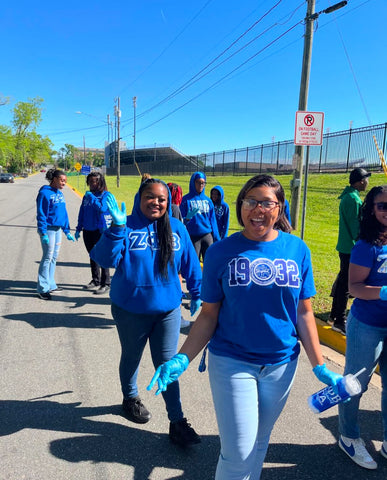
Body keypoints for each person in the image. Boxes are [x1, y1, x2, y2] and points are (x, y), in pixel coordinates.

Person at [148, 174, 342, 479]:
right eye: (251, 201)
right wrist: (182, 358)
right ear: (240, 206)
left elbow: (304, 313)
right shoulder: (221, 252)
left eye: (267, 202)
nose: (258, 209)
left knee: (258, 443)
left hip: (281, 365)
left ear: (279, 208)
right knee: (238, 451)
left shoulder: (297, 250)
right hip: (232, 362)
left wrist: (319, 365)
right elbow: (209, 315)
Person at [90, 178, 203, 447]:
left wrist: (197, 292)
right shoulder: (126, 225)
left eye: (162, 199)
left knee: (167, 364)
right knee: (132, 355)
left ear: (169, 202)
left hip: (167, 310)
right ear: (140, 198)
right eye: (150, 197)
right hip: (130, 309)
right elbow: (103, 259)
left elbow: (190, 263)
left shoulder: (176, 228)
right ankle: (130, 398)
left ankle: (177, 421)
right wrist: (117, 228)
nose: (156, 202)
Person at [338, 185, 387, 470]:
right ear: (371, 209)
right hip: (367, 324)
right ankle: (348, 436)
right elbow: (354, 287)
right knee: (355, 384)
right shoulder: (365, 245)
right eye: (382, 206)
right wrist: (382, 293)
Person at [330, 167, 371, 334]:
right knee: (347, 285)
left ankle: (334, 315)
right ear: (361, 181)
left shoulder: (349, 196)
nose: (368, 183)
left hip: (345, 246)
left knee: (342, 282)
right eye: (366, 179)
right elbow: (356, 227)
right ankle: (339, 320)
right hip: (351, 247)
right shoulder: (353, 200)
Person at [36, 168, 75, 300]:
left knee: (53, 257)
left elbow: (63, 214)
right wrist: (43, 232)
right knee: (47, 257)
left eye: (65, 181)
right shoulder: (44, 194)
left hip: (58, 230)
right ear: (55, 179)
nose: (64, 183)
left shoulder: (60, 194)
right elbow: (41, 214)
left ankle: (51, 284)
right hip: (48, 230)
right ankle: (42, 288)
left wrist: (67, 231)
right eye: (62, 180)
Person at [75, 171, 112, 294]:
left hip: (100, 230)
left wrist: (93, 198)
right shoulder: (86, 196)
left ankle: (106, 283)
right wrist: (79, 228)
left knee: (102, 256)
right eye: (89, 181)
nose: (91, 183)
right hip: (87, 230)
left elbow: (102, 208)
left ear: (100, 182)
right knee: (92, 255)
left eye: (94, 181)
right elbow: (82, 212)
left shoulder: (106, 195)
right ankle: (95, 279)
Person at [180, 171, 220, 261]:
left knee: (210, 261)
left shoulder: (208, 201)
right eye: (198, 182)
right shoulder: (186, 200)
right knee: (194, 262)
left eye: (203, 183)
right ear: (193, 182)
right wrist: (186, 219)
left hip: (207, 235)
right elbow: (180, 220)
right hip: (193, 236)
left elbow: (213, 220)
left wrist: (217, 238)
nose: (201, 185)